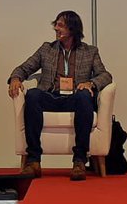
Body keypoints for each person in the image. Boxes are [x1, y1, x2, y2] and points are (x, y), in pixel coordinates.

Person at [8, 10, 112, 182]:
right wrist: (15, 78)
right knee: (33, 95)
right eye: (56, 24)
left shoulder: (90, 51)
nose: (56, 28)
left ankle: (79, 160)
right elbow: (24, 68)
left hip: (75, 99)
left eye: (61, 25)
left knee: (84, 96)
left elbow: (105, 75)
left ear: (73, 29)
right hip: (51, 96)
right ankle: (33, 161)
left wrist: (91, 84)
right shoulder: (46, 49)